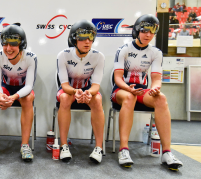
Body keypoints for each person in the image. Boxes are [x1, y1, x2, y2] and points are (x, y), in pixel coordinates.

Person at [112, 14, 183, 170]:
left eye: (152, 32)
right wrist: (128, 88)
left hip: (142, 90)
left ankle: (166, 152)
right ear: (137, 30)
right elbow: (117, 78)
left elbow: (156, 78)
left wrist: (155, 88)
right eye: (145, 31)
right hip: (122, 89)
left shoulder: (156, 52)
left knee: (161, 99)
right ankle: (123, 150)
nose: (148, 35)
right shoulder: (123, 50)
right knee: (130, 97)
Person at [0, 24, 37, 162]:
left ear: (21, 44)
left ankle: (25, 145)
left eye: (13, 44)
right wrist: (1, 95)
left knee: (28, 99)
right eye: (5, 44)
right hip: (5, 88)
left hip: (23, 89)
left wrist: (14, 97)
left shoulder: (30, 57)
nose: (8, 48)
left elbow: (29, 86)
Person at [56, 20, 105, 163]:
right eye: (83, 38)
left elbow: (96, 85)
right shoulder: (63, 55)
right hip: (69, 90)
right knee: (65, 98)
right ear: (74, 39)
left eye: (91, 38)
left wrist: (88, 92)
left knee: (97, 99)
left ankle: (98, 147)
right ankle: (64, 146)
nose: (87, 42)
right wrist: (76, 91)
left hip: (88, 91)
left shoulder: (98, 56)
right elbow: (64, 85)